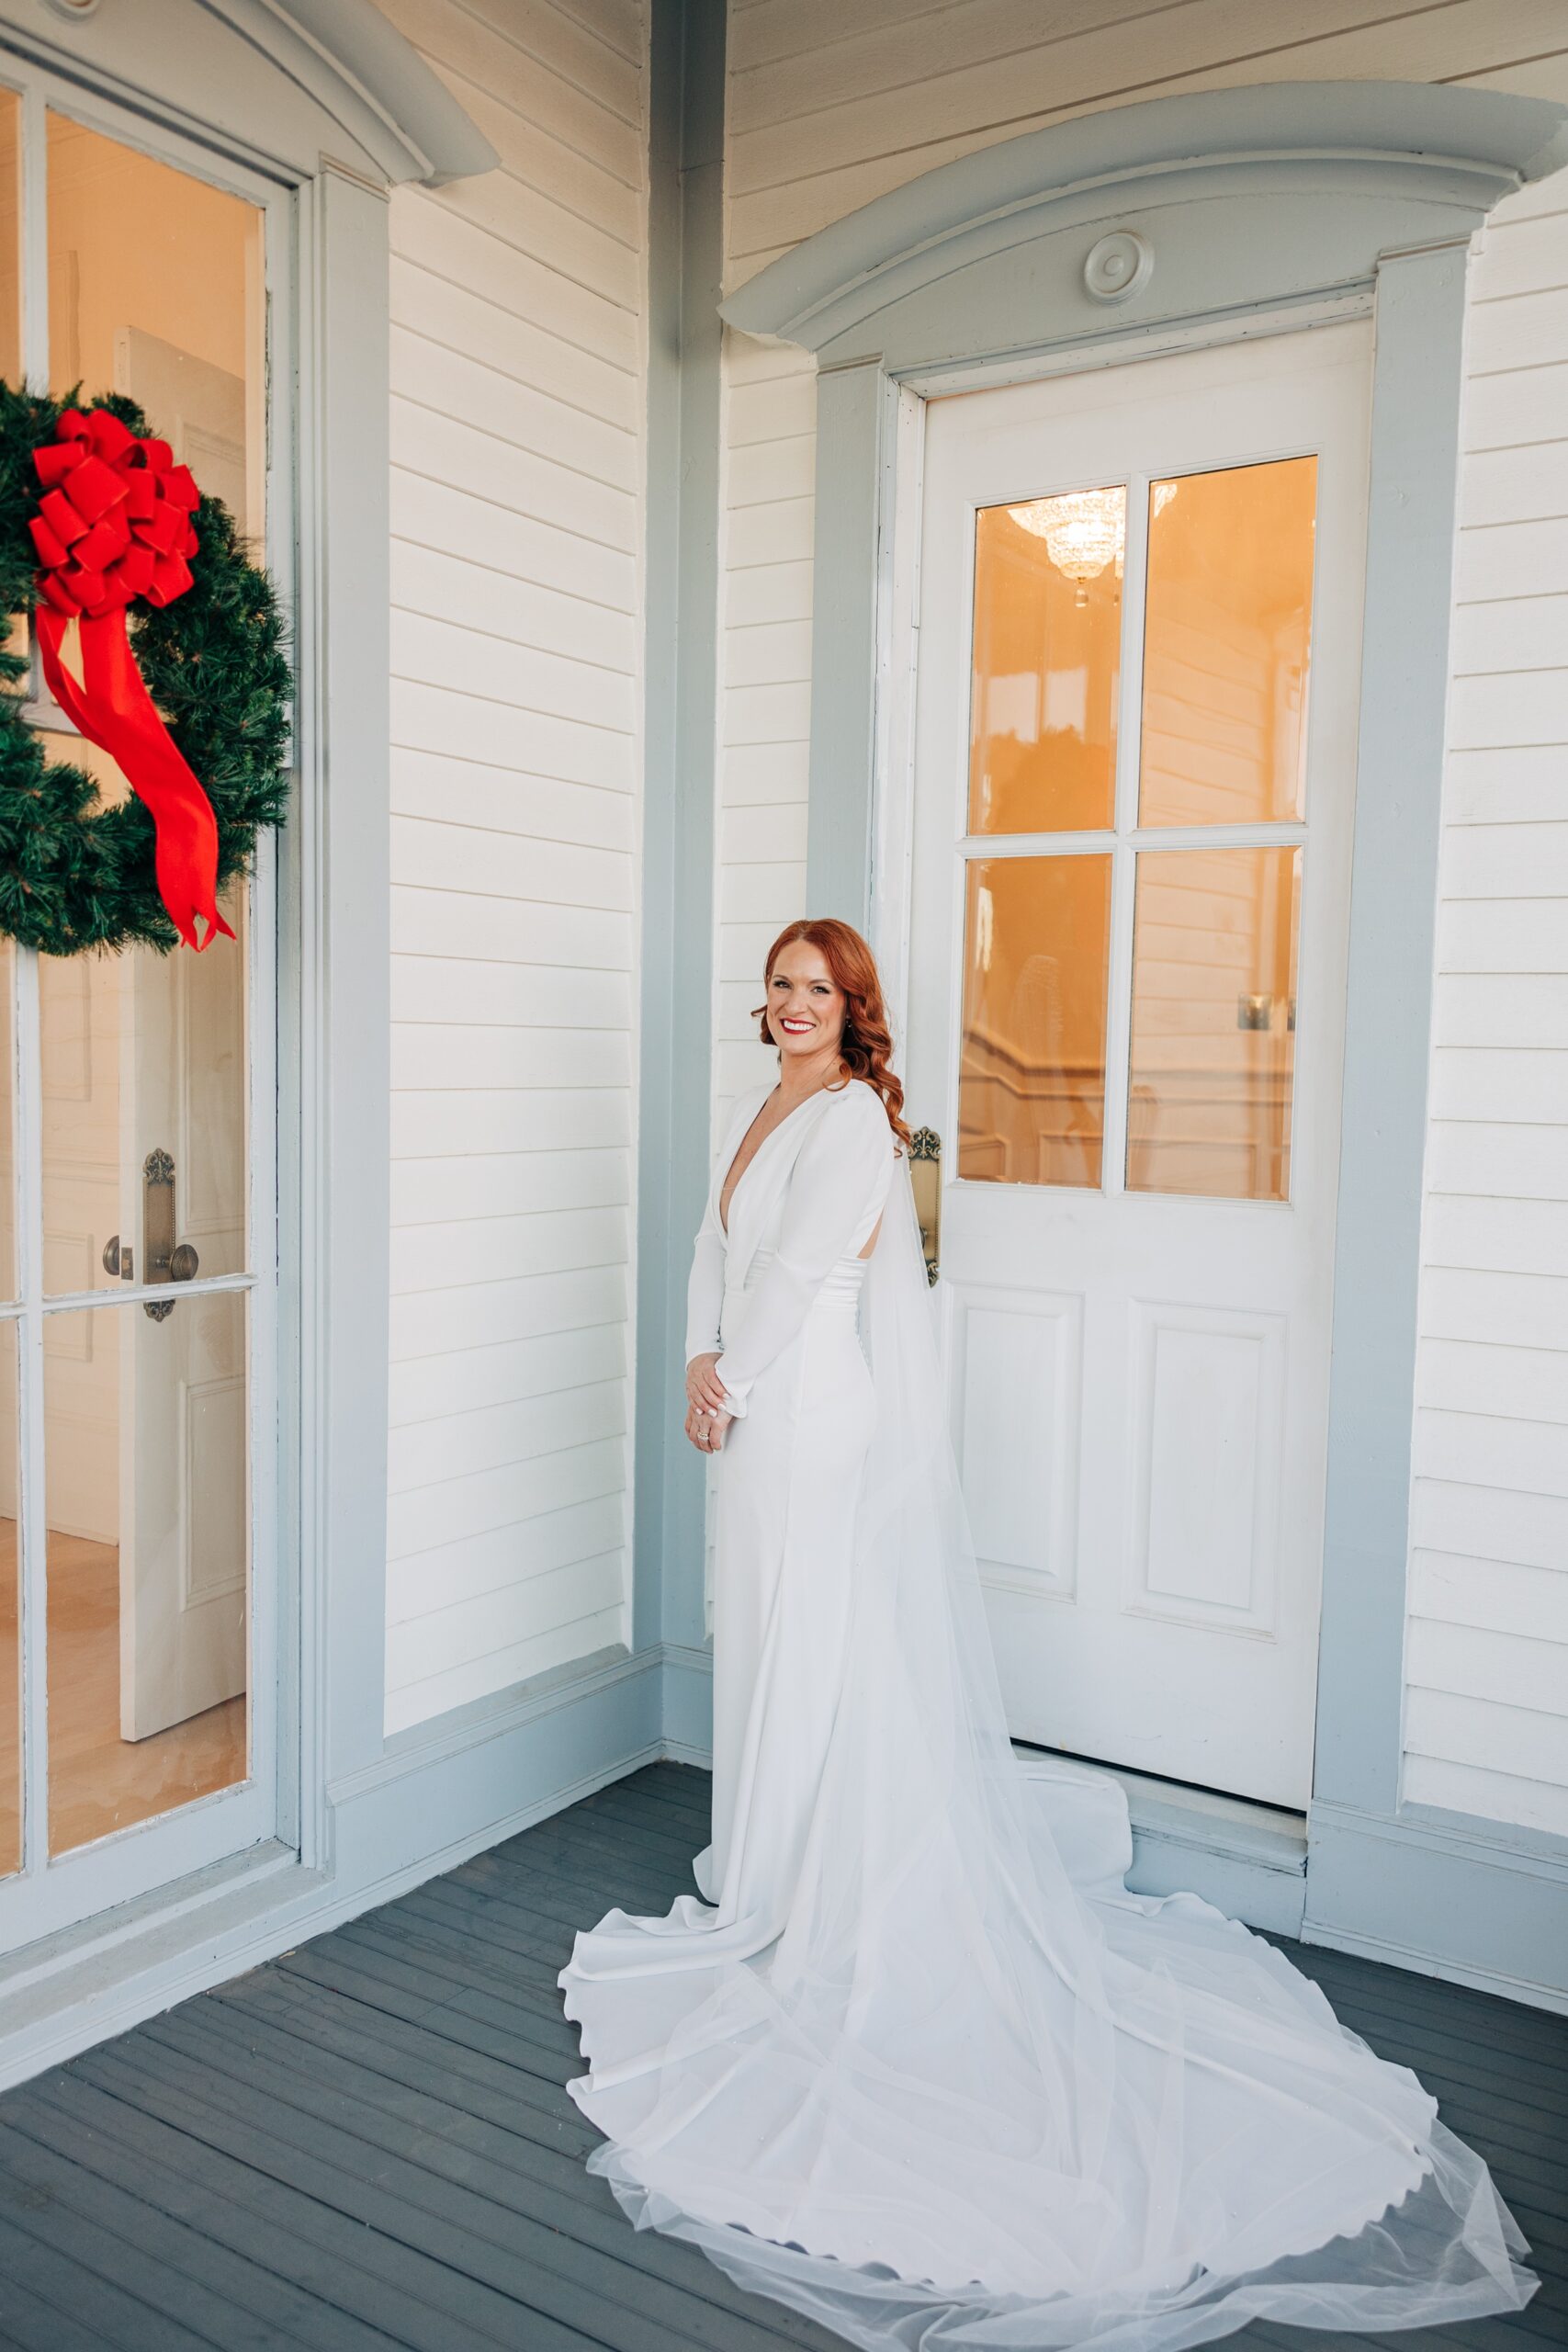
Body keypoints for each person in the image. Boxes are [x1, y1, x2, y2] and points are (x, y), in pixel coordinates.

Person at [558, 918, 1537, 2352]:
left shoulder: (851, 1128)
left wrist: (735, 1380)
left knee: (818, 1638)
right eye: (775, 987)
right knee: (763, 1639)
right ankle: (764, 1863)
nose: (787, 1007)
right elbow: (717, 1247)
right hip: (751, 1415)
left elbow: (794, 1280)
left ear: (854, 1012)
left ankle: (815, 1889)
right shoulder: (761, 1101)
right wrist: (698, 1363)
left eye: (813, 991)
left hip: (812, 1418)